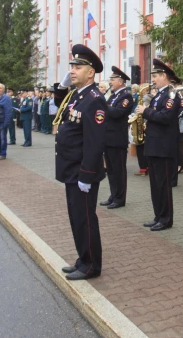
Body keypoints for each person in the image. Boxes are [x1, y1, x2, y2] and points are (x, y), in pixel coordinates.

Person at [53, 44, 107, 281]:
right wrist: (64, 84)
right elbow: (59, 104)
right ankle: (82, 258)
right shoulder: (77, 95)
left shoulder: (94, 99)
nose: (73, 70)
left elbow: (94, 143)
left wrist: (86, 174)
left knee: (85, 218)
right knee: (76, 217)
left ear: (91, 72)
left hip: (81, 171)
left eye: (78, 67)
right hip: (71, 168)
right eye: (72, 66)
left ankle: (91, 265)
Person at [134, 59, 181, 231]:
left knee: (163, 185)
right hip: (154, 146)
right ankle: (158, 216)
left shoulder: (171, 94)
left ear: (164, 76)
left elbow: (166, 117)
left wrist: (145, 112)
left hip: (164, 147)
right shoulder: (158, 95)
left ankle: (166, 219)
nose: (152, 79)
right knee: (155, 185)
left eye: (155, 76)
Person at [100, 66, 133, 209]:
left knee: (119, 171)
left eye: (112, 80)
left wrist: (102, 104)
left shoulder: (126, 96)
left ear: (120, 81)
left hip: (117, 140)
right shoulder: (113, 95)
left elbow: (117, 113)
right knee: (111, 171)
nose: (110, 82)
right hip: (108, 138)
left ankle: (120, 198)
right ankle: (113, 195)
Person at [0, 83, 12, 160]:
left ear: (3, 89)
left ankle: (3, 153)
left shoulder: (6, 98)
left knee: (3, 139)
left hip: (2, 121)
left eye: (0, 88)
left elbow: (8, 111)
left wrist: (6, 123)